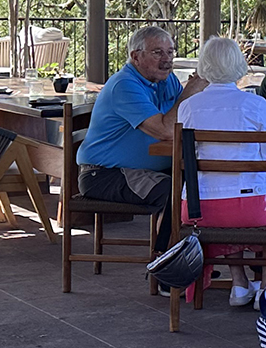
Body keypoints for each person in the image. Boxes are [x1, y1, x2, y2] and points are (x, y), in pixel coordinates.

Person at [176, 36, 266, 307]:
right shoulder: (257, 105)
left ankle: (239, 283)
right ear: (239, 65)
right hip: (253, 209)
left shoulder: (188, 107)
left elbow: (187, 159)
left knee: (225, 207)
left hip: (198, 210)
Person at [76, 25, 206, 249]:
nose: (167, 59)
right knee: (174, 192)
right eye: (157, 52)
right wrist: (189, 92)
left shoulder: (166, 80)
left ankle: (193, 259)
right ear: (136, 56)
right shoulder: (125, 85)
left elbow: (185, 117)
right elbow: (166, 130)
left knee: (200, 183)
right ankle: (169, 268)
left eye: (170, 52)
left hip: (147, 169)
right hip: (105, 173)